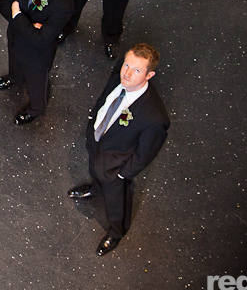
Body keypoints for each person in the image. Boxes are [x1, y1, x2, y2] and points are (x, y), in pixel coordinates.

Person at [68, 43, 170, 256]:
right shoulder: (119, 76)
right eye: (126, 65)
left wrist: (123, 174)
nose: (127, 73)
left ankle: (116, 232)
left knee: (117, 202)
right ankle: (96, 189)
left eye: (137, 70)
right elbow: (105, 99)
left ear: (149, 75)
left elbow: (145, 154)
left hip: (116, 166)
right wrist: (92, 122)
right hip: (98, 144)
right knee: (95, 171)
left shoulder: (154, 117)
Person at [0, 0, 75, 125]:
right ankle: (14, 78)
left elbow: (41, 40)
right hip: (15, 37)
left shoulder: (64, 2)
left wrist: (18, 15)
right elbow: (3, 3)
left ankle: (36, 109)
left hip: (38, 54)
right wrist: (30, 26)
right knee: (14, 61)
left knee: (36, 81)